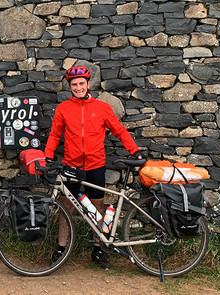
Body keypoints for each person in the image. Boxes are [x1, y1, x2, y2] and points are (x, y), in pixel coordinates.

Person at [42, 64, 146, 269]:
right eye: (74, 84)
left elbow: (119, 131)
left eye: (81, 83)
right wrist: (47, 156)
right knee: (66, 207)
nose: (78, 87)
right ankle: (61, 249)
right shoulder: (63, 108)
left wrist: (135, 151)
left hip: (95, 165)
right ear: (70, 86)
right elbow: (55, 134)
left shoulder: (102, 108)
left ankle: (97, 249)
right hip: (71, 166)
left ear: (88, 84)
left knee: (97, 207)